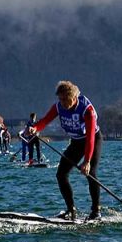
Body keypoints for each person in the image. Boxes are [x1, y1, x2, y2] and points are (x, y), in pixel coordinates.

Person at [33, 80, 102, 221]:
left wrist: (87, 161)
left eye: (66, 99)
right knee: (61, 174)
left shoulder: (87, 110)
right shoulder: (58, 107)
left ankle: (96, 211)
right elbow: (45, 120)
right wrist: (35, 128)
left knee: (91, 173)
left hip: (92, 139)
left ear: (74, 97)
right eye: (60, 99)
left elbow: (90, 139)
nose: (63, 103)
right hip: (76, 142)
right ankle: (71, 210)